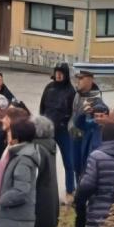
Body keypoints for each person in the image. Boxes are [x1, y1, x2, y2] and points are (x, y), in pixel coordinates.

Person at [75, 121, 114, 227]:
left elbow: (87, 185)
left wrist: (79, 200)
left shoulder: (97, 156)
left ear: (103, 136)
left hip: (100, 216)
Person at [38, 63, 76, 193]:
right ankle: (45, 190)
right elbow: (42, 107)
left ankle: (70, 190)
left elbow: (74, 112)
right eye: (57, 72)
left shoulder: (71, 91)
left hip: (63, 131)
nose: (58, 75)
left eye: (61, 72)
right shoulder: (49, 88)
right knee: (45, 161)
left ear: (66, 74)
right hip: (48, 131)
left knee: (68, 162)